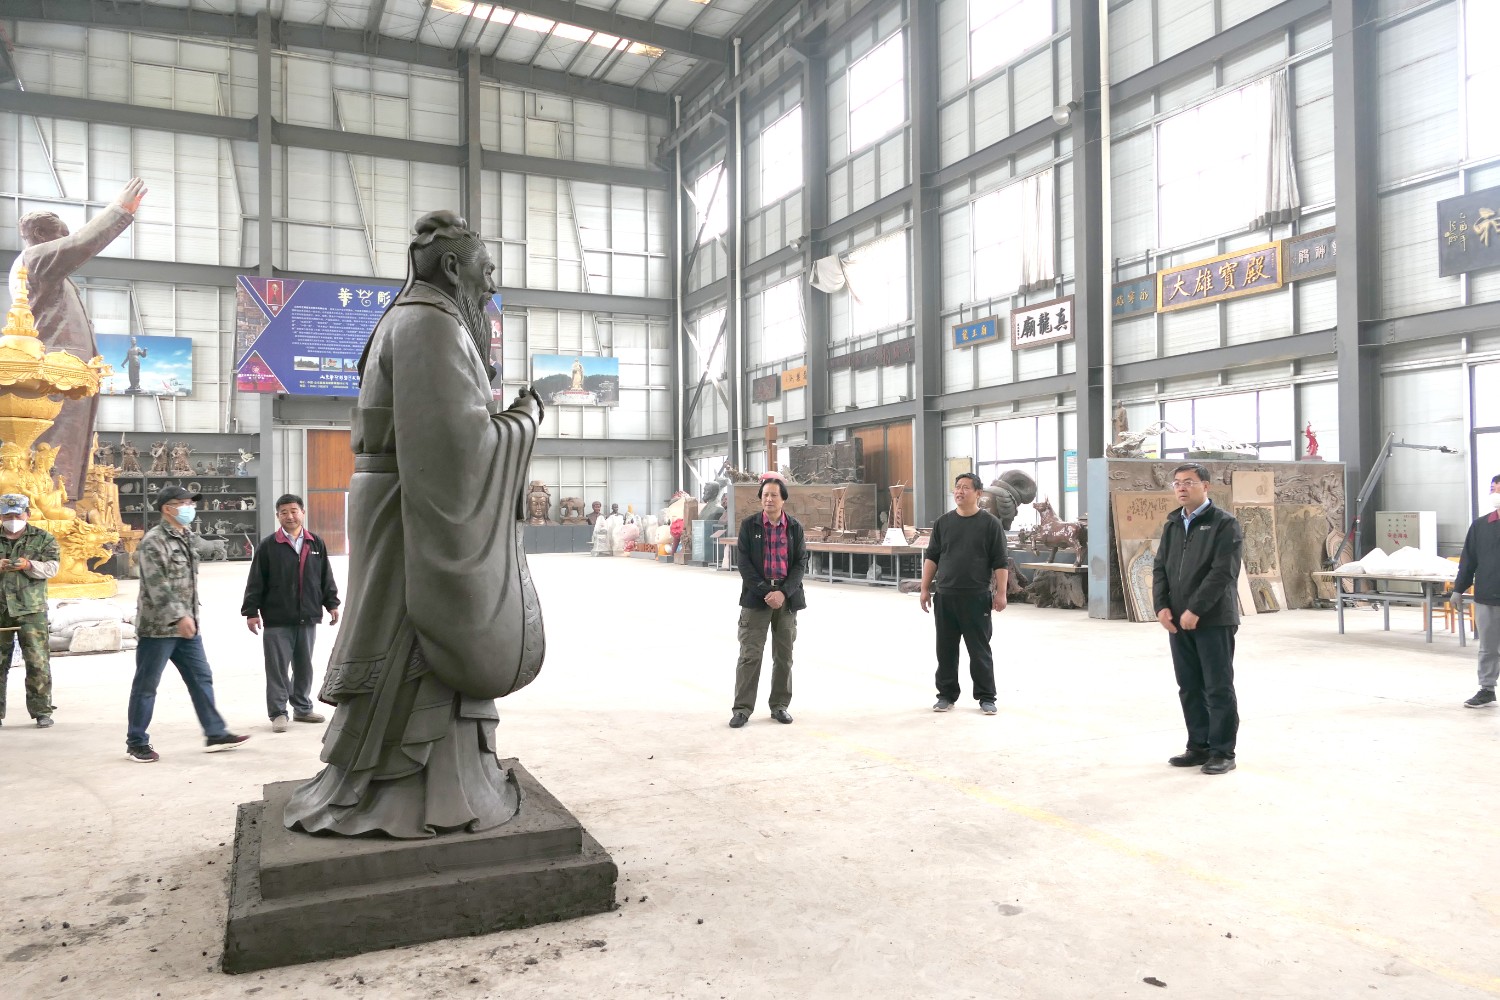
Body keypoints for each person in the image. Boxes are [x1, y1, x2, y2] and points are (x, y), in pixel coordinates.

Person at [284, 211, 546, 838]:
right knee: (418, 630)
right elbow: (459, 452)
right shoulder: (430, 323)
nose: (491, 287)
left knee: (399, 628)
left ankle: (426, 777)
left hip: (400, 496)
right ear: (453, 267)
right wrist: (527, 418)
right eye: (485, 272)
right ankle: (408, 790)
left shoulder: (411, 317)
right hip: (415, 507)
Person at [11, 178, 146, 499]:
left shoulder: (50, 274)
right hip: (56, 376)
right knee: (54, 446)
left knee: (67, 444)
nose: (64, 242)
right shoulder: (35, 260)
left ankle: (62, 502)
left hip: (67, 374)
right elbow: (80, 244)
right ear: (40, 235)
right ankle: (53, 504)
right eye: (59, 236)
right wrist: (119, 211)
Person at [125, 485, 249, 762]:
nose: (189, 507)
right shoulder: (153, 542)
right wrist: (179, 615)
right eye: (183, 503)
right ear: (167, 508)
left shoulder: (187, 536)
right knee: (147, 686)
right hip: (158, 629)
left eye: (191, 503)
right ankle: (136, 742)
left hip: (188, 627)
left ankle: (215, 733)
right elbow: (156, 585)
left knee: (201, 677)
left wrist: (188, 617)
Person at [1152, 463, 1243, 775]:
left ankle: (1222, 752)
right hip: (1178, 621)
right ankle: (1198, 746)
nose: (1181, 487)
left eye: (1189, 482)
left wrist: (1196, 609)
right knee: (1189, 686)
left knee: (1217, 686)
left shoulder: (1224, 524)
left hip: (1214, 619)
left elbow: (1223, 573)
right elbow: (1160, 568)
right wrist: (1161, 607)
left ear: (1206, 486)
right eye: (1177, 483)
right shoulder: (1173, 525)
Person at [242, 494, 341, 732]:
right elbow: (256, 580)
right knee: (277, 668)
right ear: (278, 516)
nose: (290, 516)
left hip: (307, 615)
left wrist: (332, 603)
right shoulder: (268, 545)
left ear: (303, 513)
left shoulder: (315, 543)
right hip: (277, 617)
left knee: (304, 665)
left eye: (294, 511)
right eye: (284, 512)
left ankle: (302, 708)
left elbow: (325, 576)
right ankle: (278, 712)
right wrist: (251, 611)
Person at [919, 473, 1008, 715]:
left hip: (976, 597)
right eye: (957, 487)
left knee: (979, 650)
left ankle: (986, 697)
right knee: (945, 650)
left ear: (978, 493)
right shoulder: (943, 523)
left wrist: (1001, 593)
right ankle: (946, 695)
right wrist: (925, 588)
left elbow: (1000, 561)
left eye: (965, 487)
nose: (959, 491)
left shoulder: (990, 524)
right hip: (945, 596)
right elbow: (932, 557)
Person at [730, 476, 807, 728]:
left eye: (774, 495)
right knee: (749, 656)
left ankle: (780, 706)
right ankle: (742, 709)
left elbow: (800, 564)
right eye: (765, 495)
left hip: (787, 599)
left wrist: (783, 593)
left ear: (783, 499)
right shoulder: (749, 526)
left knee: (784, 656)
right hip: (756, 598)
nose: (769, 499)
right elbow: (744, 564)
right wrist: (766, 592)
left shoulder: (794, 528)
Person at [0, 495, 59, 729]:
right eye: (7, 515)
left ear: (28, 514)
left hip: (31, 609)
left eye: (17, 515)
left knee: (37, 662)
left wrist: (29, 565)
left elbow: (52, 568)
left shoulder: (43, 538)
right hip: (1, 608)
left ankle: (42, 711)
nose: (13, 519)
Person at [1458, 474, 1500, 708]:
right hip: (1487, 596)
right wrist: (1458, 589)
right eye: (1493, 489)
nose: (1495, 494)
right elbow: (1468, 561)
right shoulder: (1481, 526)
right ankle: (1487, 689)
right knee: (1488, 648)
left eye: (1499, 489)